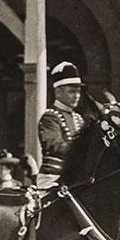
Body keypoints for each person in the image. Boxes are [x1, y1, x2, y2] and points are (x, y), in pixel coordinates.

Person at [37, 61, 87, 189]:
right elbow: (54, 144)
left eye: (78, 92)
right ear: (58, 92)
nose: (76, 96)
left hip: (75, 177)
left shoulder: (79, 119)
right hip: (53, 177)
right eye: (71, 92)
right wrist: (83, 153)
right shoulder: (50, 117)